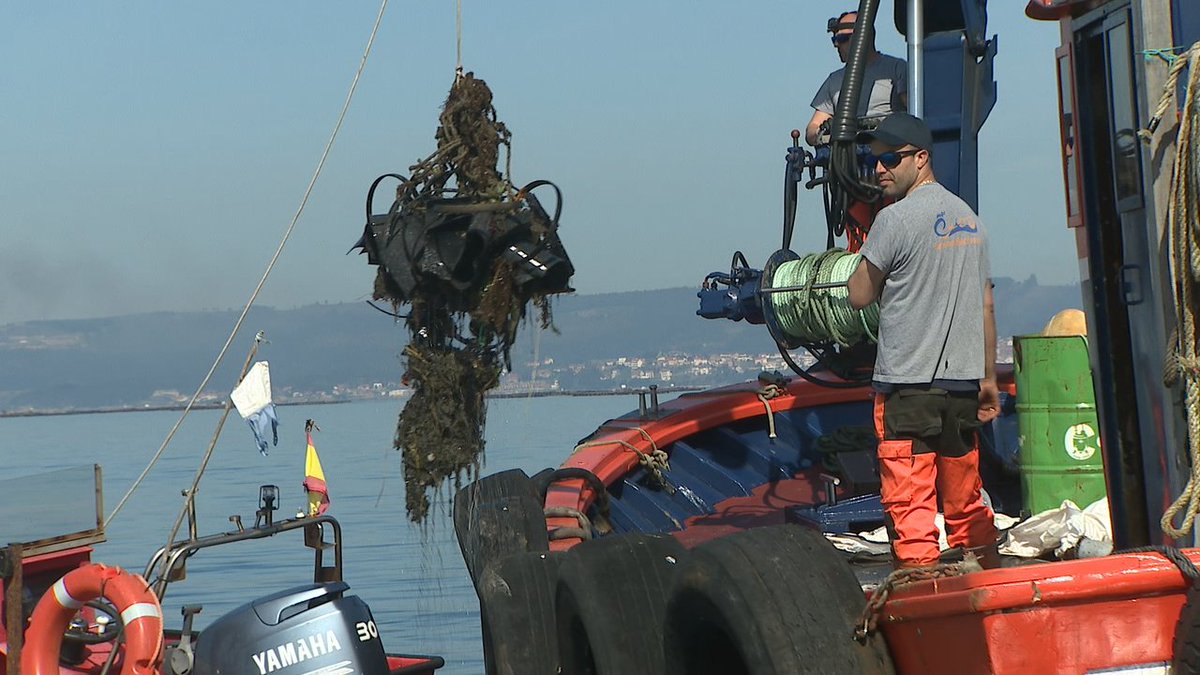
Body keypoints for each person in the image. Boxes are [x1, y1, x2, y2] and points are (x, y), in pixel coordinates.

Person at [846, 113, 1000, 570]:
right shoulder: (971, 221)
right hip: (961, 389)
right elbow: (986, 307)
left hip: (908, 390)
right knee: (967, 505)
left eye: (890, 159)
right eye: (875, 161)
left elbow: (858, 295)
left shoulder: (893, 220)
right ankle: (988, 589)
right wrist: (988, 379)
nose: (879, 170)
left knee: (911, 512)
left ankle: (921, 600)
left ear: (921, 158)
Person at [806, 11, 909, 146]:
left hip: (888, 153)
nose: (836, 44)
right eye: (834, 39)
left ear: (863, 38)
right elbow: (813, 128)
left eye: (842, 39)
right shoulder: (834, 80)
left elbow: (915, 113)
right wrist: (826, 135)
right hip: (847, 156)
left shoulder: (897, 68)